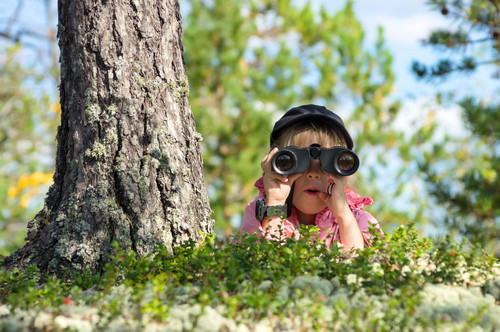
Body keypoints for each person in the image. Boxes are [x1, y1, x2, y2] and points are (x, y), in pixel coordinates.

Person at [240, 104, 382, 249]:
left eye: (324, 164)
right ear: (276, 165)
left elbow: (361, 264)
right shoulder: (261, 213)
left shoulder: (358, 221)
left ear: (342, 169)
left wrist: (343, 216)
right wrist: (275, 204)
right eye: (298, 162)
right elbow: (264, 264)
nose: (313, 174)